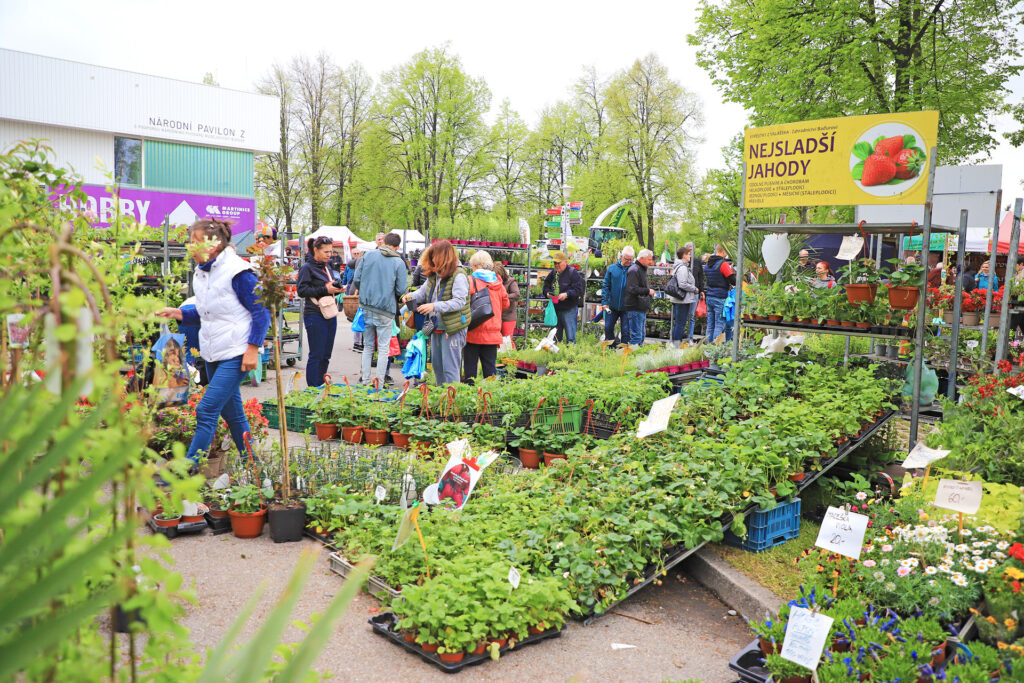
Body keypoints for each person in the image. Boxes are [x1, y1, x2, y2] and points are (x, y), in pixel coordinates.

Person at [156, 218, 271, 466]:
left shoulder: (238, 272)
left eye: (194, 242)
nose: (190, 246)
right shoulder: (203, 272)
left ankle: (186, 472)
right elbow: (208, 311)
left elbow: (262, 311)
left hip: (237, 352)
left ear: (214, 244)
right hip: (213, 351)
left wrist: (252, 349)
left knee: (206, 410)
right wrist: (178, 313)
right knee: (234, 414)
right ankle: (255, 469)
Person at [401, 240, 470, 385]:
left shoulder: (459, 276)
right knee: (438, 368)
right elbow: (422, 292)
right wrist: (410, 297)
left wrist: (434, 306)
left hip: (452, 328)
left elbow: (459, 302)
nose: (432, 261)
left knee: (450, 369)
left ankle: (452, 402)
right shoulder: (435, 275)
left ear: (443, 257)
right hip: (435, 326)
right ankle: (441, 400)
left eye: (434, 257)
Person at [352, 232, 408, 386]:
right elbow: (401, 288)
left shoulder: (368, 256)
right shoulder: (398, 262)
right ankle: (380, 383)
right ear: (397, 247)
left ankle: (365, 381)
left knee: (368, 346)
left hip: (366, 306)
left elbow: (357, 279)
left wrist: (364, 292)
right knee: (383, 347)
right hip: (385, 309)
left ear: (384, 242)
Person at [297, 236, 345, 387]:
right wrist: (325, 289)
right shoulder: (307, 268)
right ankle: (313, 388)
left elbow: (327, 288)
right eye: (326, 251)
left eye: (331, 251)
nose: (329, 254)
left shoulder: (327, 266)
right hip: (314, 314)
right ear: (315, 250)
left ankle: (321, 385)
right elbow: (302, 290)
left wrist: (336, 290)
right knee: (317, 354)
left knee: (326, 355)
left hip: (329, 313)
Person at [464, 251, 510, 382]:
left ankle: (469, 398)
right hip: (493, 333)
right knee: (490, 371)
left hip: (473, 331)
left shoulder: (471, 281)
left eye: (473, 265)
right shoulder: (497, 282)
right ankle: (488, 398)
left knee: (470, 371)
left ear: (477, 266)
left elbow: (464, 302)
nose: (472, 268)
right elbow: (506, 304)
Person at [541, 251, 585, 343]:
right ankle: (555, 355)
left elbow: (579, 290)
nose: (556, 265)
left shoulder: (573, 273)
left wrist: (567, 294)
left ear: (565, 262)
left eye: (559, 263)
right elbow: (545, 286)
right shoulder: (553, 273)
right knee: (554, 337)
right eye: (555, 263)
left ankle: (570, 355)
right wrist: (547, 293)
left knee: (570, 337)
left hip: (569, 309)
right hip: (556, 309)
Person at [601, 246, 634, 346]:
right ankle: (612, 348)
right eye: (626, 259)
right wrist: (605, 302)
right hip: (612, 305)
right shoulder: (612, 269)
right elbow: (606, 286)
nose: (628, 261)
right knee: (608, 328)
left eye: (630, 259)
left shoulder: (634, 270)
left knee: (625, 330)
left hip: (627, 307)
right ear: (621, 257)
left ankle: (624, 351)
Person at [703, 244, 736, 343]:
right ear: (723, 252)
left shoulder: (708, 264)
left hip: (709, 296)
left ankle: (707, 348)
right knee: (719, 324)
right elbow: (732, 280)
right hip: (720, 297)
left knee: (710, 325)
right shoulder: (723, 264)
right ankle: (715, 349)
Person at [667, 246, 698, 346]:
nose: (690, 256)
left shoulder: (678, 266)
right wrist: (694, 289)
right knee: (680, 324)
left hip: (679, 299)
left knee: (679, 323)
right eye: (689, 254)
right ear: (684, 255)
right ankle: (676, 346)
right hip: (682, 300)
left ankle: (675, 345)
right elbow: (682, 284)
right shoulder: (683, 268)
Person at [624, 249, 656, 346]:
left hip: (640, 308)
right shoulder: (634, 270)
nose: (651, 262)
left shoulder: (641, 269)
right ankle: (631, 358)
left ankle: (636, 357)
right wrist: (648, 291)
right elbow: (632, 289)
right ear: (642, 258)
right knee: (637, 337)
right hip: (635, 307)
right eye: (649, 259)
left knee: (641, 336)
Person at [493, 262, 520, 337]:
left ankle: (511, 349)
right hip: (496, 316)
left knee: (507, 341)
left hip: (508, 316)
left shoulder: (511, 282)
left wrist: (503, 296)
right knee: (497, 341)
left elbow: (516, 294)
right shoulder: (493, 282)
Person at [687, 242, 705, 341]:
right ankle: (682, 335)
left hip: (695, 292)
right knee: (683, 315)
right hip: (684, 292)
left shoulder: (697, 262)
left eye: (692, 250)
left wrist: (702, 290)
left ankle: (690, 336)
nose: (690, 252)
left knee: (692, 315)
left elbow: (700, 277)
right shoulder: (683, 261)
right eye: (689, 250)